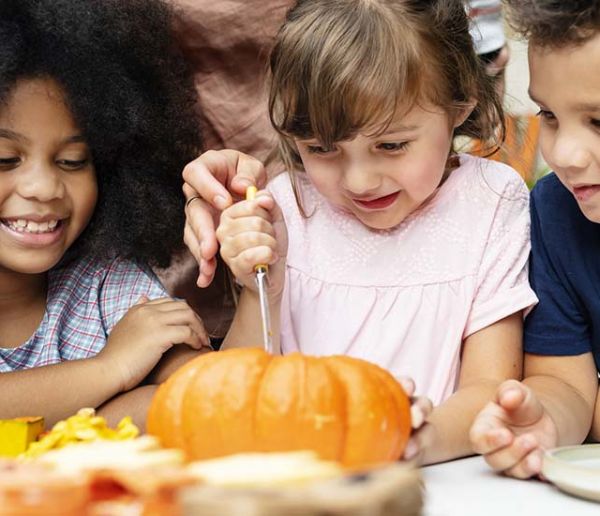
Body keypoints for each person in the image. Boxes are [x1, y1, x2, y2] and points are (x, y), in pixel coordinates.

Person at [189, 0, 537, 465]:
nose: (359, 181)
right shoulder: (287, 205)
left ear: (460, 107)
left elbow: (490, 387)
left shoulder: (491, 201)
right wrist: (260, 293)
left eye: (392, 145)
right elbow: (234, 394)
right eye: (321, 149)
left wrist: (412, 439)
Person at [0, 0, 210, 429]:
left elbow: (202, 394)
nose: (43, 188)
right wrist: (110, 370)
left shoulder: (104, 281)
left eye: (73, 160)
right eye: (4, 159)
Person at [470, 0, 600, 479]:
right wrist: (547, 422)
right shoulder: (554, 213)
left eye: (598, 122)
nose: (564, 154)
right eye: (549, 114)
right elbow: (565, 384)